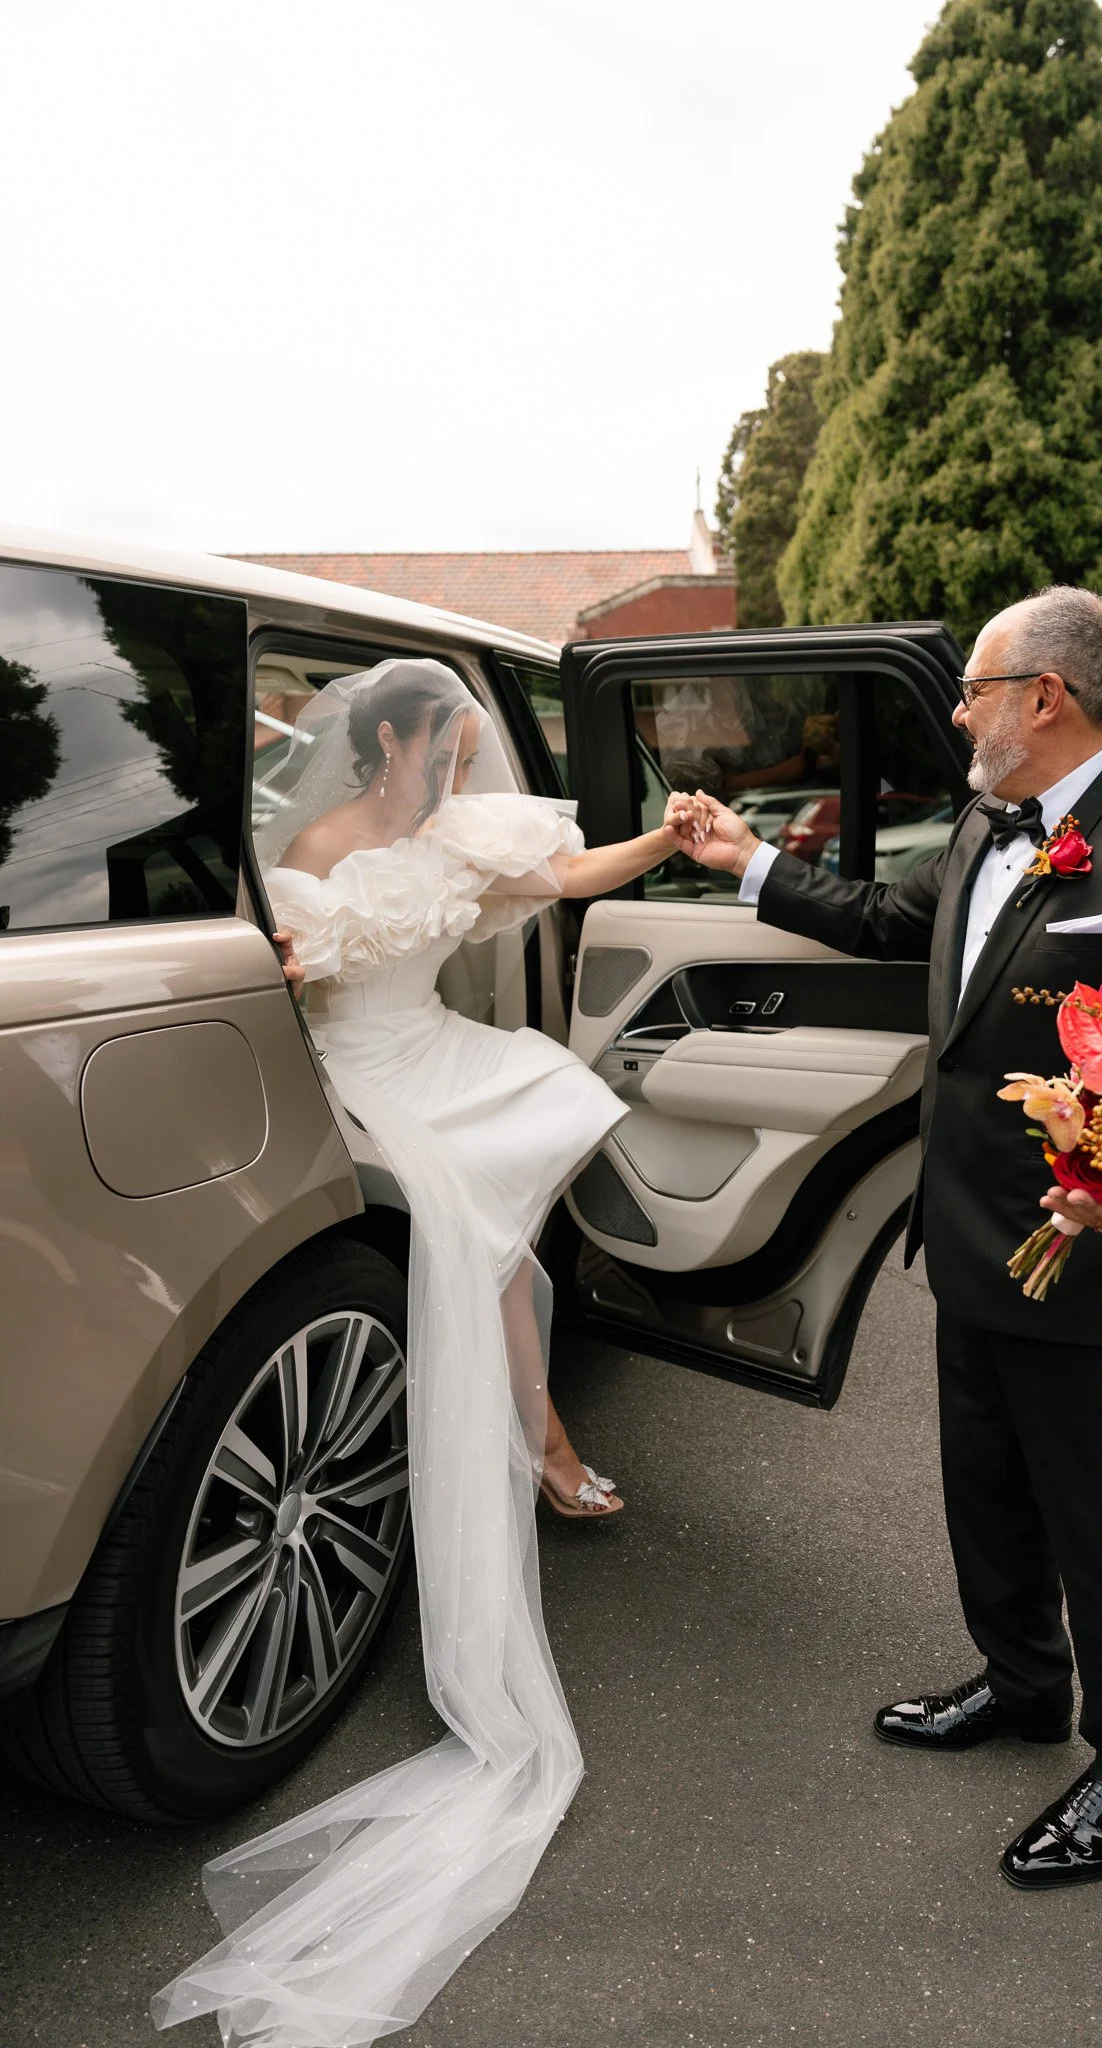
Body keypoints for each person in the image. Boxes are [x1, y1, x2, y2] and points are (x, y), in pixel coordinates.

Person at [682, 587, 1102, 1891]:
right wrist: (743, 859)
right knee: (988, 1496)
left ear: (1045, 698)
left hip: (1096, 1270)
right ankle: (1021, 1685)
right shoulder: (985, 820)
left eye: (972, 686)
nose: (958, 708)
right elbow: (900, 930)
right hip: (965, 1244)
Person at [153, 659, 704, 2046]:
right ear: (394, 738)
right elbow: (279, 975)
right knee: (481, 1242)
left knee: (528, 1166)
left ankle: (539, 1438)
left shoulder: (460, 836)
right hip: (357, 1079)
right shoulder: (308, 856)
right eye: (450, 743)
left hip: (446, 1048)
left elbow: (565, 885)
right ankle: (545, 1447)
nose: (464, 765)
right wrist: (281, 962)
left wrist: (668, 839)